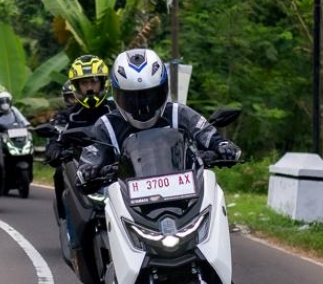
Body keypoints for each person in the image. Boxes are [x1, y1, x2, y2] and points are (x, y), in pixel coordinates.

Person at [76, 48, 241, 187]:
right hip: (126, 203)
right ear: (118, 95)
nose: (142, 106)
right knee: (94, 219)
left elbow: (207, 134)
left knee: (216, 197)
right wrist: (88, 169)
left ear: (163, 90)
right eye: (132, 98)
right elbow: (91, 157)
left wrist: (223, 146)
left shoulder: (179, 113)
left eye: (149, 96)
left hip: (186, 194)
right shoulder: (106, 126)